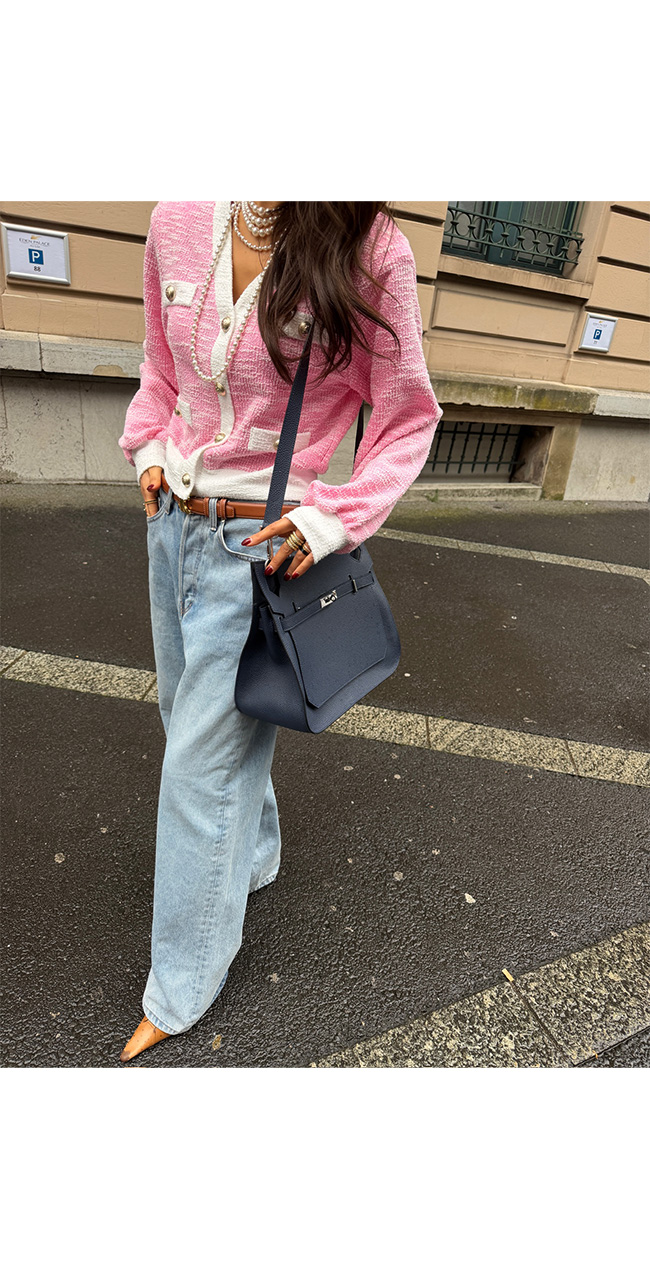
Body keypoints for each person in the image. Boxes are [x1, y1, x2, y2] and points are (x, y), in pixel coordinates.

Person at [117, 201, 443, 1062]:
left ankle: (183, 982)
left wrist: (334, 516)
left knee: (198, 770)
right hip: (170, 527)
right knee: (188, 722)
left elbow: (407, 416)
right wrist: (148, 445)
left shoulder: (371, 249)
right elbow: (161, 365)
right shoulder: (180, 214)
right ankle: (255, 851)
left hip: (259, 549)